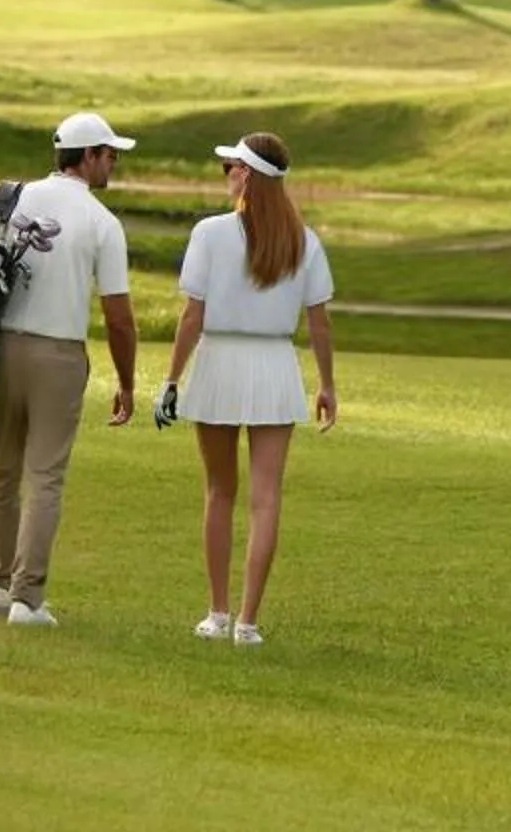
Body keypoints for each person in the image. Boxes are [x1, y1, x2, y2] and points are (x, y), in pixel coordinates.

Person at [154, 131, 337, 646]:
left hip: (221, 362)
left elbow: (194, 315)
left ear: (246, 176)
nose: (227, 174)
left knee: (220, 491)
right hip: (274, 366)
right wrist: (326, 384)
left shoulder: (211, 234)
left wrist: (171, 379)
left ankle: (218, 614)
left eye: (231, 166)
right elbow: (319, 323)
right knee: (265, 498)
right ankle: (247, 622)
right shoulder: (303, 239)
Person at [0, 110, 138, 629]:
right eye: (109, 154)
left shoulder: (11, 197)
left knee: (1, 470)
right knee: (44, 476)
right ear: (87, 156)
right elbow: (118, 317)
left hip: (3, 348)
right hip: (60, 355)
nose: (113, 163)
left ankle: (1, 587)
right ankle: (27, 599)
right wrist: (127, 381)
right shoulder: (101, 222)